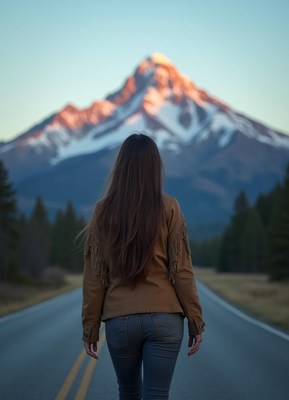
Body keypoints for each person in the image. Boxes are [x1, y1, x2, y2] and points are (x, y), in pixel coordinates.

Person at [82, 132, 205, 400]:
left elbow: (95, 278)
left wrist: (91, 328)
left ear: (121, 166)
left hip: (119, 320)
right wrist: (195, 321)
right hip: (165, 318)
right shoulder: (170, 207)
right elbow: (182, 271)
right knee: (157, 395)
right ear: (155, 167)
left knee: (128, 393)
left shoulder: (102, 210)